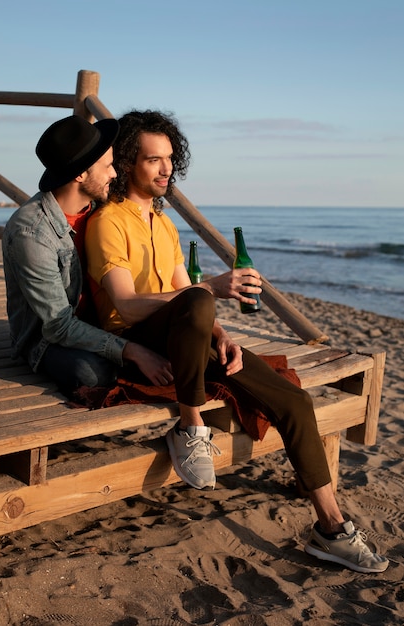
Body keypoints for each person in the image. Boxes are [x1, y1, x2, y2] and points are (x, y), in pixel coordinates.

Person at [84, 109, 388, 574]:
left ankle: (331, 527)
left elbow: (187, 294)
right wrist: (211, 290)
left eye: (169, 158)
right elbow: (125, 306)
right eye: (153, 160)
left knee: (293, 400)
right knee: (199, 298)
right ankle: (190, 427)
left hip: (190, 339)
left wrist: (222, 335)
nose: (166, 169)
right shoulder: (109, 221)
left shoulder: (163, 224)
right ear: (127, 164)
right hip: (137, 344)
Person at [2, 115, 166, 397]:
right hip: (48, 338)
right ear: (80, 174)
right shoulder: (31, 233)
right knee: (93, 374)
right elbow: (58, 326)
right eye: (107, 166)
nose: (114, 174)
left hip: (97, 323)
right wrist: (132, 350)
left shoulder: (98, 213)